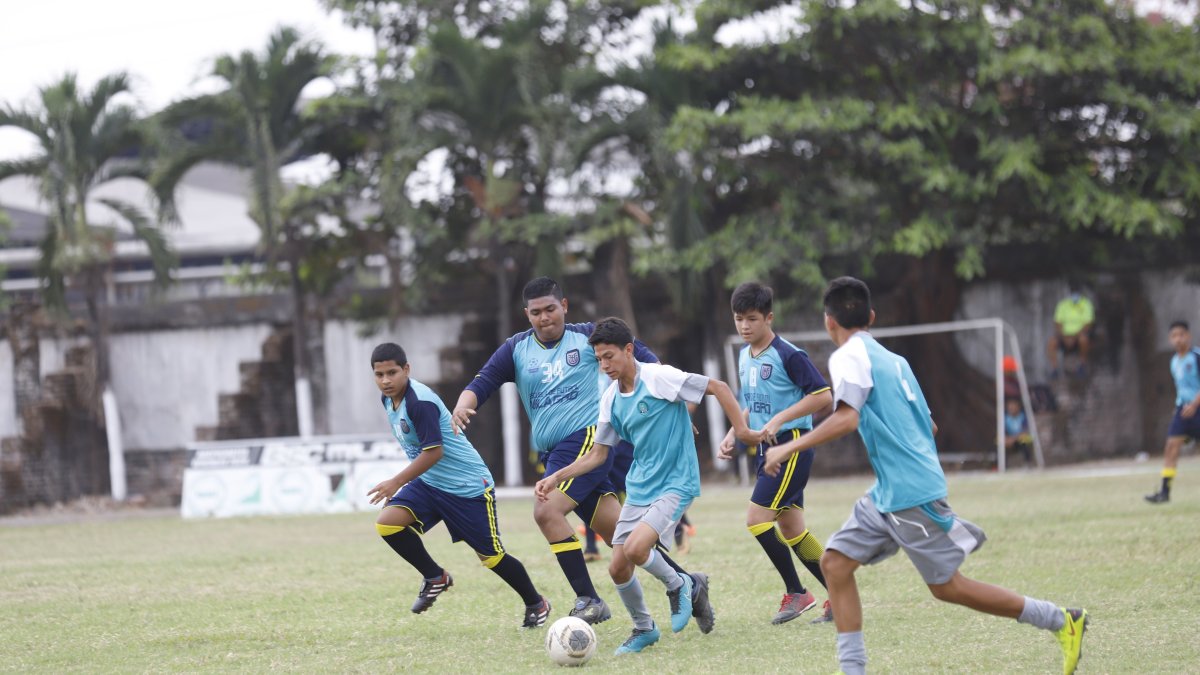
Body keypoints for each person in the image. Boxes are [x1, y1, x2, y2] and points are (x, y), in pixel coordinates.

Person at [764, 277, 1088, 675]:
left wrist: (787, 446)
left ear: (829, 322)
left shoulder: (847, 356)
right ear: (871, 317)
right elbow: (929, 428)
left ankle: (1060, 620)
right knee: (834, 564)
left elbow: (846, 418)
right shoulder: (895, 361)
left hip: (908, 494)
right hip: (889, 492)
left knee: (948, 587)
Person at [451, 277, 710, 629]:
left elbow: (648, 360)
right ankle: (688, 583)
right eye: (536, 312)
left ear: (565, 306)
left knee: (545, 510)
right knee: (622, 536)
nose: (545, 318)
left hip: (587, 440)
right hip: (552, 452)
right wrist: (461, 408)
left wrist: (670, 412)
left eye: (551, 309)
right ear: (526, 314)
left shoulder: (587, 337)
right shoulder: (516, 349)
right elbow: (480, 385)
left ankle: (588, 598)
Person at [535, 317, 760, 654]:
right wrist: (556, 476)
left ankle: (681, 583)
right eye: (599, 360)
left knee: (638, 549)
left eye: (609, 356)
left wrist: (741, 431)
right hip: (640, 485)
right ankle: (644, 628)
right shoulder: (610, 398)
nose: (605, 365)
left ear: (629, 350)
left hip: (675, 481)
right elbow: (597, 454)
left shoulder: (659, 377)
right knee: (617, 565)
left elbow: (720, 388)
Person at [365, 343, 551, 628]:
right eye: (379, 375)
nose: (386, 380)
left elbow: (434, 452)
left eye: (392, 373)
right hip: (431, 483)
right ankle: (434, 576)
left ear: (407, 370)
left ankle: (536, 602)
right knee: (388, 524)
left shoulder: (420, 402)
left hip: (467, 487)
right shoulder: (387, 399)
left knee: (491, 557)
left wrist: (396, 481)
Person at [718, 281, 835, 625]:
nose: (744, 326)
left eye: (752, 318)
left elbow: (824, 396)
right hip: (765, 449)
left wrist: (781, 418)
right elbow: (748, 401)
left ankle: (797, 592)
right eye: (738, 318)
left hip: (790, 445)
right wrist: (733, 431)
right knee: (793, 529)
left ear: (769, 317)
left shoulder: (789, 354)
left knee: (756, 520)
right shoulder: (744, 355)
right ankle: (840, 595)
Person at [1145, 320, 1200, 504]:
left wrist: (1194, 405)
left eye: (1181, 335)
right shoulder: (1174, 361)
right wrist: (1178, 406)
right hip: (1182, 411)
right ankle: (1164, 492)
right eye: (1174, 336)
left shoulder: (1197, 356)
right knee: (1171, 447)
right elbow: (1182, 387)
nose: (1178, 339)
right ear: (1170, 339)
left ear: (1188, 336)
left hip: (1197, 409)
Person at [1047, 282, 1094, 378]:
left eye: (1076, 293)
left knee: (1083, 340)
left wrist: (1074, 337)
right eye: (1073, 293)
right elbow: (1058, 322)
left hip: (1078, 336)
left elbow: (1088, 324)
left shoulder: (1086, 304)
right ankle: (1054, 369)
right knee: (1051, 342)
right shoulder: (1063, 305)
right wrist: (1064, 337)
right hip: (1064, 336)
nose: (1074, 296)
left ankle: (1082, 366)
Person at [1004, 398, 1034, 467]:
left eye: (1013, 407)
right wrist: (1007, 438)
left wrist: (1014, 438)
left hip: (1022, 438)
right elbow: (1003, 431)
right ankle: (1001, 465)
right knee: (1000, 442)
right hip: (1011, 439)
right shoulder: (1006, 418)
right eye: (1009, 408)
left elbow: (1025, 431)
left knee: (1024, 440)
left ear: (1018, 407)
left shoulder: (1023, 417)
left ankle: (1028, 463)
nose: (1011, 409)